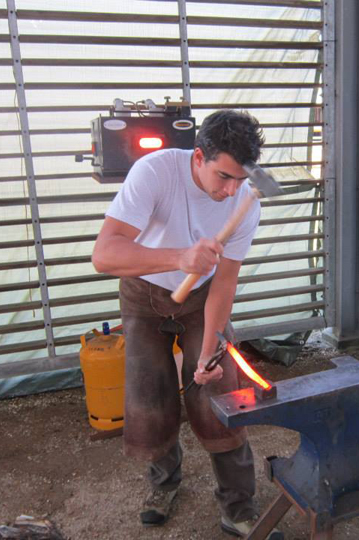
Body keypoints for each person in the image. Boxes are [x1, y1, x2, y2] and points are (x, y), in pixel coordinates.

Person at [92, 110, 282, 539]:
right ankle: (164, 485)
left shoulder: (246, 202)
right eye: (223, 176)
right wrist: (179, 257)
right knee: (150, 395)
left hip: (203, 297)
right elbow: (104, 254)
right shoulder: (155, 173)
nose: (230, 190)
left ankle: (238, 506)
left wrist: (209, 351)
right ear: (198, 157)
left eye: (240, 179)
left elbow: (225, 282)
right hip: (143, 292)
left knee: (223, 395)